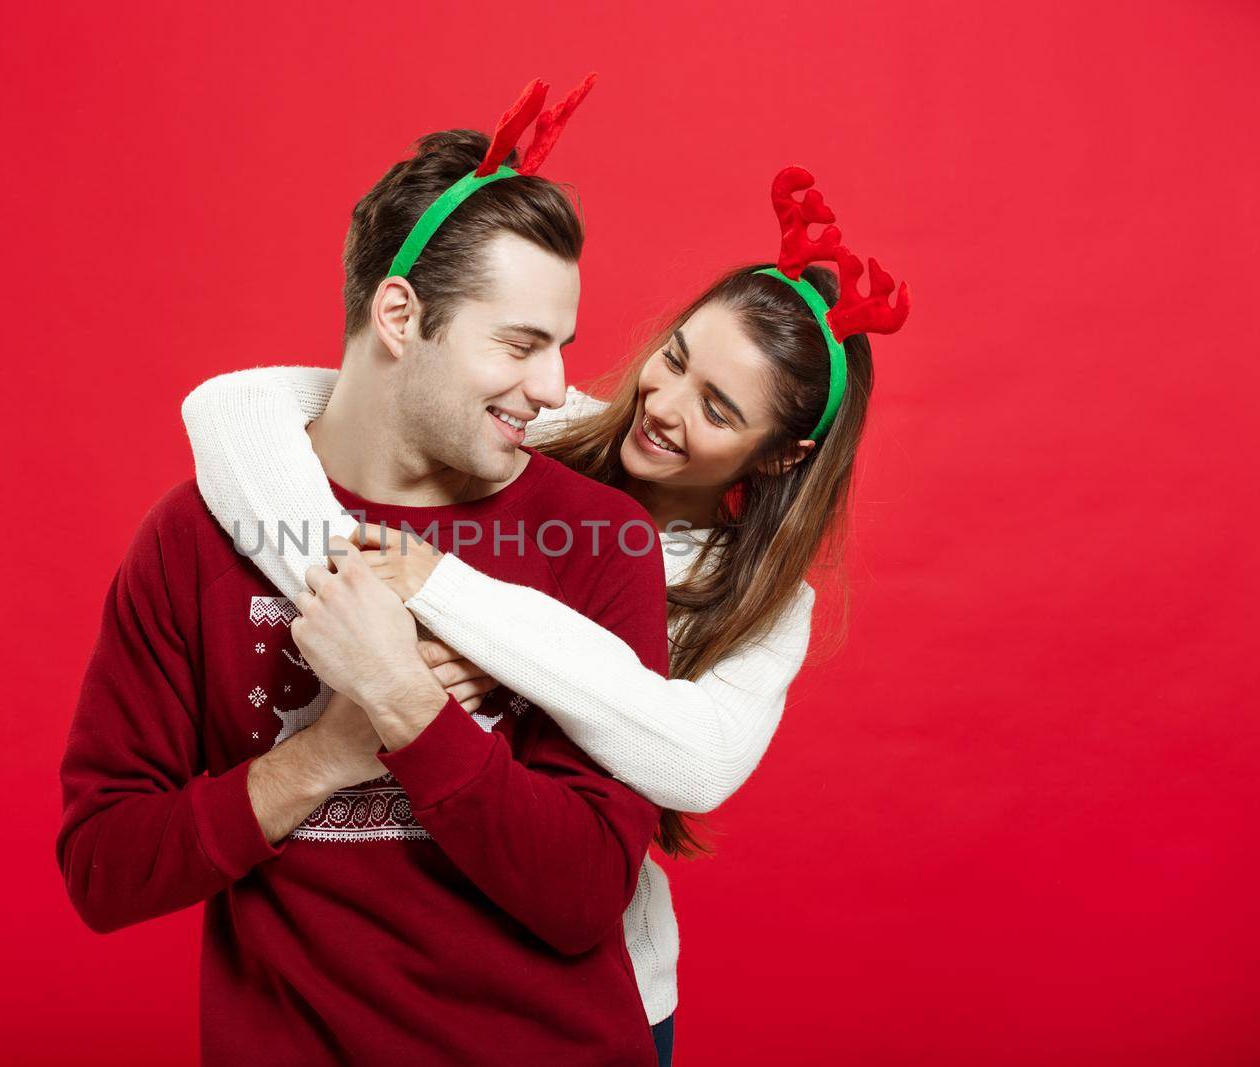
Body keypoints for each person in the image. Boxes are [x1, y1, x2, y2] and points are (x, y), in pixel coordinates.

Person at [183, 166, 911, 1064]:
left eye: (718, 410)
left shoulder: (765, 604)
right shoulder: (543, 425)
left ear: (780, 455)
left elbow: (698, 758)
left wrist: (452, 600)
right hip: (389, 950)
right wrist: (358, 602)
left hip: (591, 981)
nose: (664, 406)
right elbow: (231, 407)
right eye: (676, 358)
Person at [59, 80, 675, 1066]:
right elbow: (103, 867)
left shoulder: (599, 540)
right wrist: (322, 754)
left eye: (562, 345)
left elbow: (584, 892)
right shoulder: (193, 539)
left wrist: (400, 701)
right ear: (399, 314)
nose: (556, 386)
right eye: (519, 343)